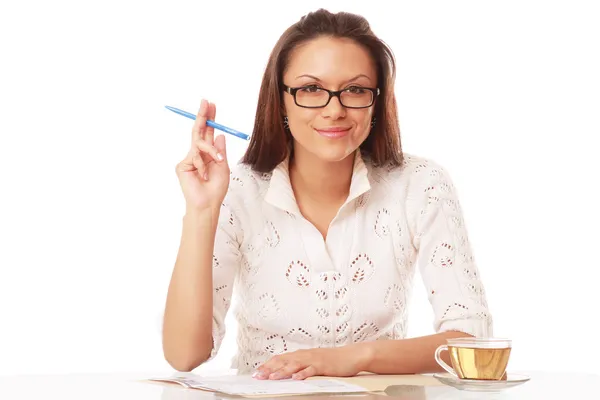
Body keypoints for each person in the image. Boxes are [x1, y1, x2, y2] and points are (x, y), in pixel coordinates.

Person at [162, 8, 492, 380]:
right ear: (281, 100)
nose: (334, 109)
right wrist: (202, 211)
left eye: (355, 89)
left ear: (377, 101)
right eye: (311, 89)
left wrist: (356, 357)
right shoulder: (237, 191)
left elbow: (473, 343)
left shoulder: (420, 184)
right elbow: (184, 355)